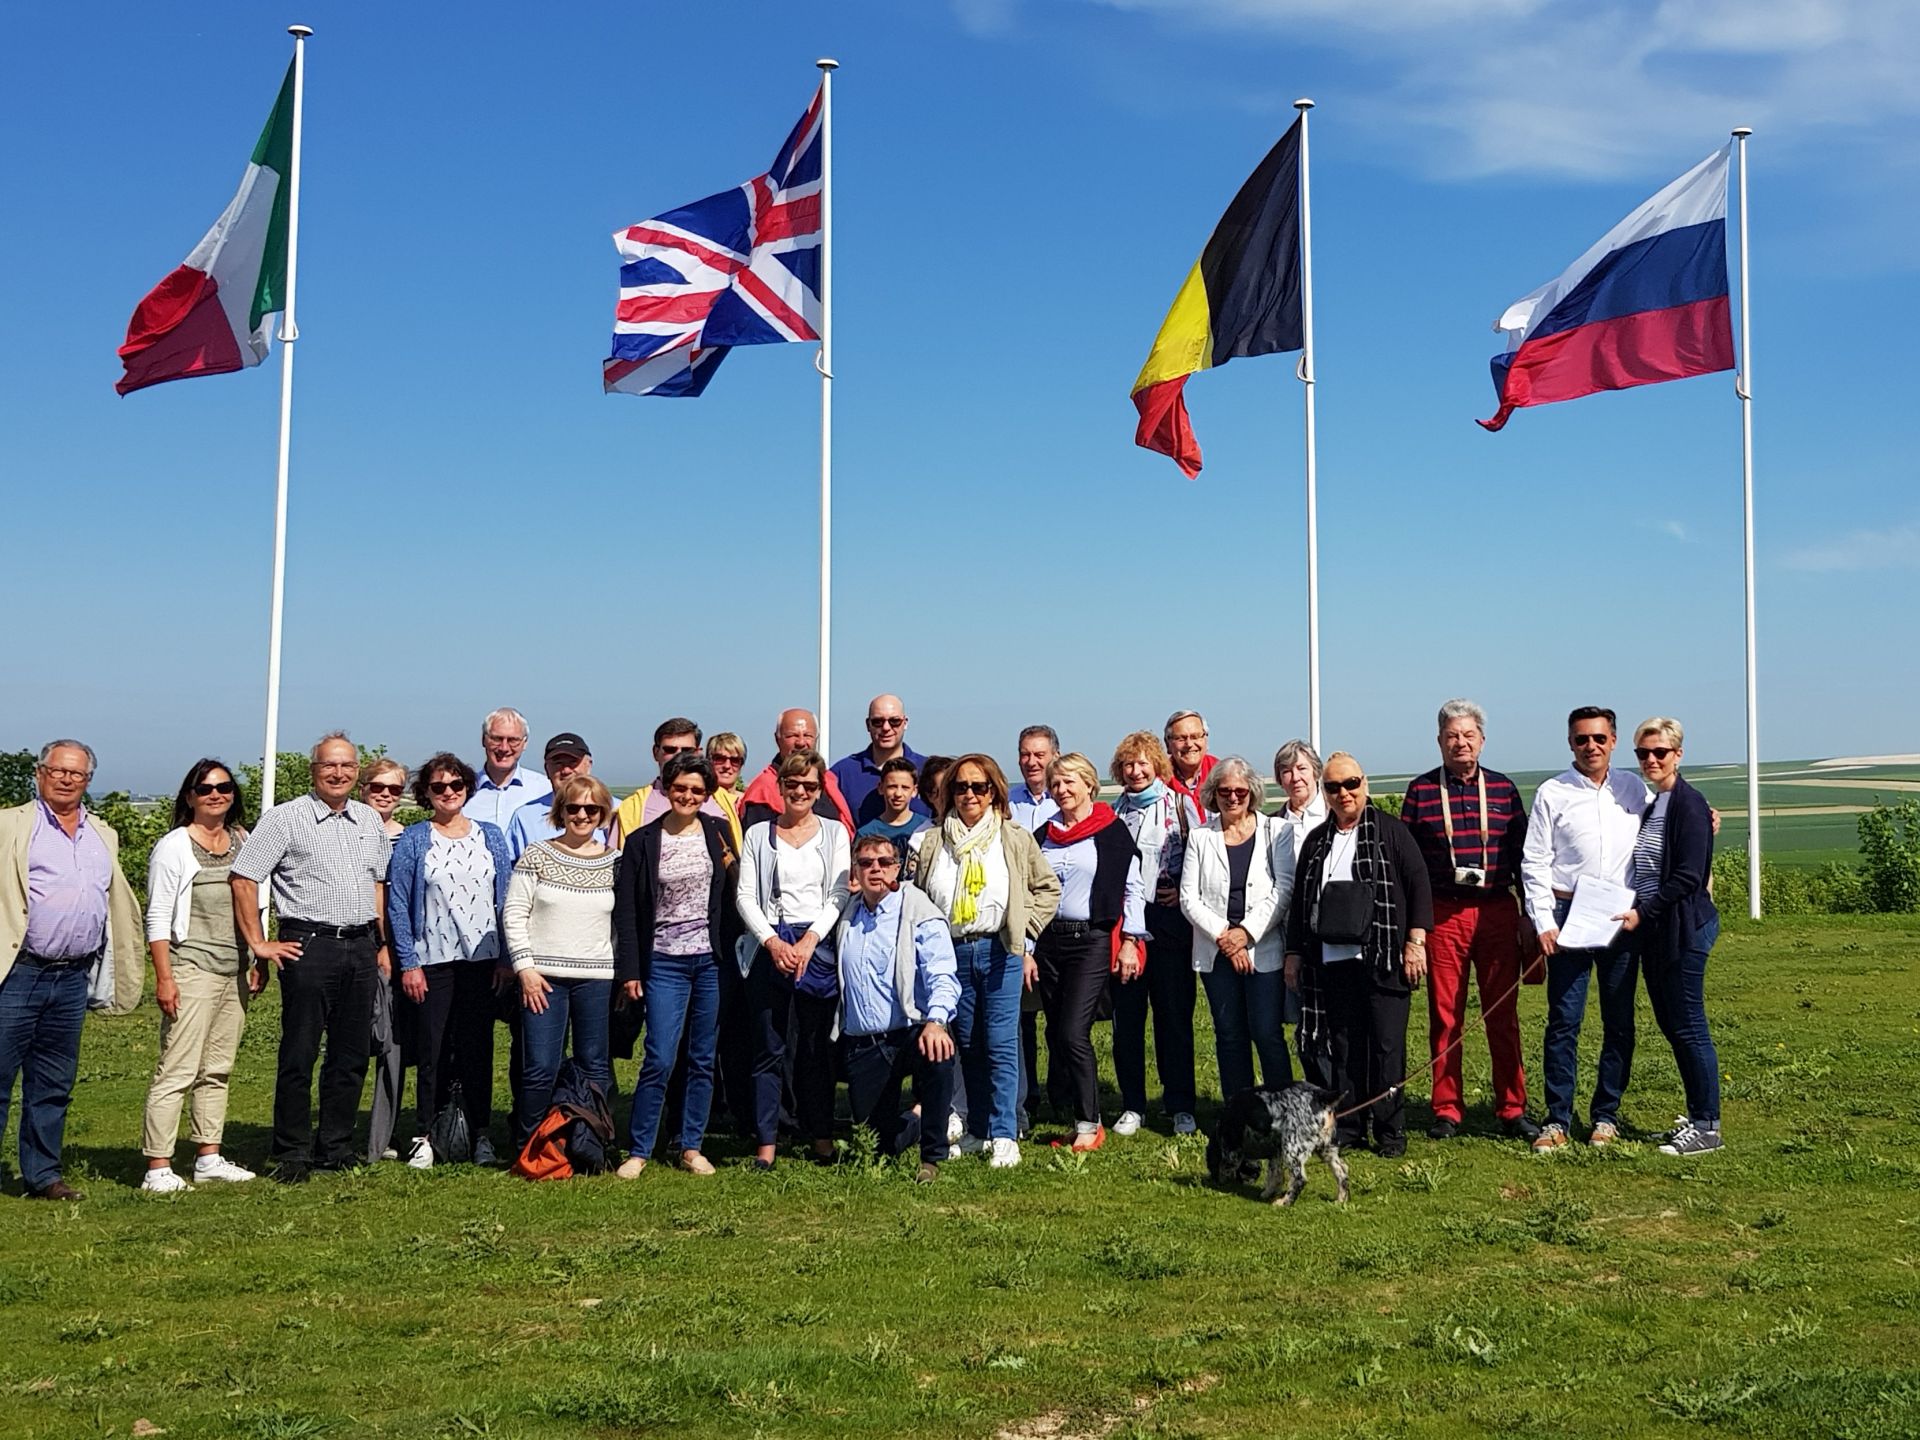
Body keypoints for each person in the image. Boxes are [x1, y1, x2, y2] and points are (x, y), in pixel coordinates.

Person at [232, 732, 393, 1184]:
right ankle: (292, 1152)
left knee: (351, 1053)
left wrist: (382, 942)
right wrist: (259, 944)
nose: (338, 773)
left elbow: (377, 883)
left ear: (357, 771)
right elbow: (243, 878)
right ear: (314, 770)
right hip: (309, 944)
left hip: (360, 945)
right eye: (329, 765)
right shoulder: (285, 818)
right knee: (300, 1053)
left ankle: (335, 1147)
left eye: (346, 766)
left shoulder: (368, 819)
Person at [0, 740, 144, 1201]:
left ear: (88, 780)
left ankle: (43, 1175)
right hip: (17, 974)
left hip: (71, 979)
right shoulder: (9, 825)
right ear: (39, 773)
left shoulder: (102, 834)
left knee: (53, 1083)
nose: (66, 779)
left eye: (76, 773)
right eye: (57, 770)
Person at [1400, 701, 1540, 1143]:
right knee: (1445, 1016)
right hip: (1444, 912)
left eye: (1468, 735)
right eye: (1451, 736)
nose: (1460, 743)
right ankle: (1446, 1109)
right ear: (1439, 741)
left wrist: (1528, 916)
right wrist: (1414, 928)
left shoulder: (1502, 788)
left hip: (1497, 908)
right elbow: (1409, 865)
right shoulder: (1421, 791)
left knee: (1503, 1014)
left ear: (1481, 739)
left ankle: (1512, 1107)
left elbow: (1524, 856)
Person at [911, 754, 1059, 1170]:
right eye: (961, 787)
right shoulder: (932, 842)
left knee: (1001, 1043)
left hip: (1000, 950)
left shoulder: (1013, 837)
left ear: (994, 791)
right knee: (967, 1044)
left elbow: (1048, 887)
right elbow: (918, 897)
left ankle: (1005, 1133)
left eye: (979, 786)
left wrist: (1026, 930)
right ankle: (977, 1128)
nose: (970, 795)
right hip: (951, 953)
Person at [1283, 753, 1432, 1158]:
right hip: (1333, 961)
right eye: (1333, 787)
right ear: (1325, 792)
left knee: (1386, 1048)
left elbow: (1418, 885)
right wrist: (1295, 952)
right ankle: (1349, 1127)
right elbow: (1301, 901)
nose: (1344, 793)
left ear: (1364, 783)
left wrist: (1415, 942)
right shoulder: (1318, 840)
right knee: (1345, 1047)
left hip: (1384, 957)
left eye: (1350, 784)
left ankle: (1389, 1131)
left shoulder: (1392, 832)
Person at [1520, 706, 1651, 1152]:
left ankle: (1605, 1116)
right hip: (1567, 913)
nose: (1590, 746)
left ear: (1613, 741)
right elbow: (1535, 861)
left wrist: (1705, 816)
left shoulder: (1634, 789)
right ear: (1570, 743)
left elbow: (1664, 822)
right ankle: (1557, 1119)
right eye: (1581, 739)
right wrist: (1543, 921)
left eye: (1598, 738)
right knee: (1564, 1020)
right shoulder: (1552, 792)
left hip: (1619, 916)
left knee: (1619, 1020)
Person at [386, 752, 512, 1168]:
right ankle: (425, 1133)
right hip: (432, 960)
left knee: (477, 1048)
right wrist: (409, 963)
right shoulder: (415, 839)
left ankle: (480, 1134)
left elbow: (506, 897)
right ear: (427, 792)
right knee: (433, 1049)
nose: (448, 792)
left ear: (467, 789)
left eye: (456, 785)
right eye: (439, 786)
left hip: (483, 961)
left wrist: (507, 958)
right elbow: (398, 903)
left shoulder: (491, 835)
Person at [613, 753, 736, 1178]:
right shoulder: (642, 841)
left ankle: (691, 1145)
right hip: (664, 962)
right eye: (680, 788)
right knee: (660, 1057)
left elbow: (730, 894)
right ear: (666, 788)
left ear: (707, 794)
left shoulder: (718, 831)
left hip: (710, 962)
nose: (687, 796)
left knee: (702, 1058)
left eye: (697, 790)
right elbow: (627, 911)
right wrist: (631, 971)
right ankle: (639, 1150)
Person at [139, 759, 259, 1192]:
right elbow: (157, 916)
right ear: (190, 796)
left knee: (217, 1069)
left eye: (224, 788)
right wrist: (165, 978)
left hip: (234, 970)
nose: (215, 795)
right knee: (177, 1069)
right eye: (205, 789)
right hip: (191, 968)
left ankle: (209, 1157)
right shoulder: (174, 846)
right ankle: (158, 1166)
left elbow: (255, 903)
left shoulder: (243, 840)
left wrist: (258, 958)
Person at [735, 748, 849, 1169]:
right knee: (769, 1048)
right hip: (770, 942)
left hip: (817, 944)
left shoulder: (834, 833)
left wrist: (809, 940)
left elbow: (839, 892)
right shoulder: (758, 834)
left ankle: (821, 1136)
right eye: (793, 784)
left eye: (809, 786)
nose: (800, 791)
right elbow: (745, 895)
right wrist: (771, 942)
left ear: (820, 791)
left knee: (816, 1048)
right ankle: (766, 1142)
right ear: (780, 787)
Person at [1616, 717, 1723, 1157]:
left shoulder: (1689, 804)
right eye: (1643, 753)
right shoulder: (1655, 802)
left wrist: (1643, 912)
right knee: (1673, 1023)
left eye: (1660, 752)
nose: (1651, 760)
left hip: (1683, 928)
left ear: (1678, 753)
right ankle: (1698, 1114)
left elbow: (1688, 876)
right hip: (1660, 931)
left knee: (1689, 1025)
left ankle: (1708, 1126)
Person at [1034, 752, 1149, 1151]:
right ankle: (1070, 1111)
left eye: (1070, 781)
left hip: (1091, 940)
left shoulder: (1112, 832)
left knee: (1073, 1032)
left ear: (1089, 785)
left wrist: (1131, 940)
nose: (1061, 789)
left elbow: (1133, 889)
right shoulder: (1044, 835)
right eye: (1055, 783)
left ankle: (1089, 1123)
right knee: (1055, 1031)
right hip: (1049, 942)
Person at [832, 831, 961, 1182]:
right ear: (855, 871)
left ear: (898, 868)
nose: (875, 869)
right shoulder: (846, 914)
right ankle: (916, 1120)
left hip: (911, 1031)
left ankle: (932, 1156)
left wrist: (936, 1021)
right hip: (864, 1042)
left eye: (884, 862)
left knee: (939, 1055)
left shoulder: (918, 909)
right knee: (874, 1149)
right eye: (866, 863)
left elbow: (942, 973)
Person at [502, 774, 618, 1152]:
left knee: (594, 1066)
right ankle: (531, 1148)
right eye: (574, 808)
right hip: (543, 979)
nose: (582, 815)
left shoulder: (616, 862)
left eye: (591, 809)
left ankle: (591, 1145)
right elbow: (514, 913)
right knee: (540, 1067)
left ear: (603, 813)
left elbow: (621, 925)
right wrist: (525, 968)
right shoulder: (537, 854)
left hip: (595, 979)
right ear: (561, 811)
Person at [1182, 756, 1294, 1103]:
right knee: (1229, 1034)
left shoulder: (1276, 831)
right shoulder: (1201, 837)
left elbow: (1284, 889)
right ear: (1213, 794)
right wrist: (1226, 938)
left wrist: (1245, 934)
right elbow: (1188, 897)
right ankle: (1239, 1110)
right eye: (1225, 791)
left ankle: (1283, 1109)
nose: (1232, 798)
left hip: (1264, 949)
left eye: (1240, 791)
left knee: (1266, 1032)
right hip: (1217, 953)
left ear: (1252, 793)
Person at [1108, 731, 1197, 1137]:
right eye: (1128, 764)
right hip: (1127, 924)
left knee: (1174, 1017)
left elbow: (1200, 857)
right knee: (1127, 1019)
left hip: (1170, 922)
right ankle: (1133, 1105)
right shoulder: (1113, 813)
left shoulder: (1179, 805)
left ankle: (1180, 1105)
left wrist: (1182, 891)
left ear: (1157, 765)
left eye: (1143, 762)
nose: (1136, 771)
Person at [359, 755, 411, 1163]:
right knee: (352, 1042)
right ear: (363, 789)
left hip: (398, 949)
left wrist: (391, 946)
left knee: (392, 1043)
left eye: (394, 788)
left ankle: (380, 1138)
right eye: (377, 787)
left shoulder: (406, 839)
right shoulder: (350, 832)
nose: (385, 795)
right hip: (355, 945)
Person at [609, 718, 737, 848]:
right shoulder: (632, 809)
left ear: (698, 753)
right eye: (670, 750)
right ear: (656, 752)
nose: (678, 755)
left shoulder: (726, 803)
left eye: (687, 750)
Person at [739, 710, 855, 832]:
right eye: (792, 736)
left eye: (807, 735)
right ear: (777, 739)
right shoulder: (762, 791)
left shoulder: (830, 781)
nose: (801, 742)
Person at [830, 694, 930, 827]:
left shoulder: (928, 771)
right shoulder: (842, 773)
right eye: (878, 721)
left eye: (894, 721)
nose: (886, 728)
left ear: (905, 723)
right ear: (868, 725)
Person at [506, 733, 603, 859]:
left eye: (573, 762)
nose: (566, 770)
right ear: (547, 769)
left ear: (588, 765)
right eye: (558, 763)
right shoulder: (525, 818)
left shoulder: (616, 812)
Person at [463, 707, 544, 832]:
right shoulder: (462, 792)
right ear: (483, 740)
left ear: (525, 743)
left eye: (513, 740)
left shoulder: (543, 789)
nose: (504, 748)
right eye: (497, 739)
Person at [856, 757, 933, 870]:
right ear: (881, 788)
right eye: (892, 787)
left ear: (914, 791)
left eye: (905, 788)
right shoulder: (866, 833)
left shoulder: (927, 829)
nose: (898, 794)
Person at [1164, 709, 1218, 825]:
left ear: (1205, 740)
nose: (1189, 744)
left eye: (1195, 737)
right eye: (1181, 738)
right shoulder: (1159, 782)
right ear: (1168, 744)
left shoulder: (1223, 775)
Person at [1008, 725, 1061, 831]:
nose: (1031, 762)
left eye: (1039, 755)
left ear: (1056, 757)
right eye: (1025, 755)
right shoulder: (1006, 803)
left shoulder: (1068, 800)